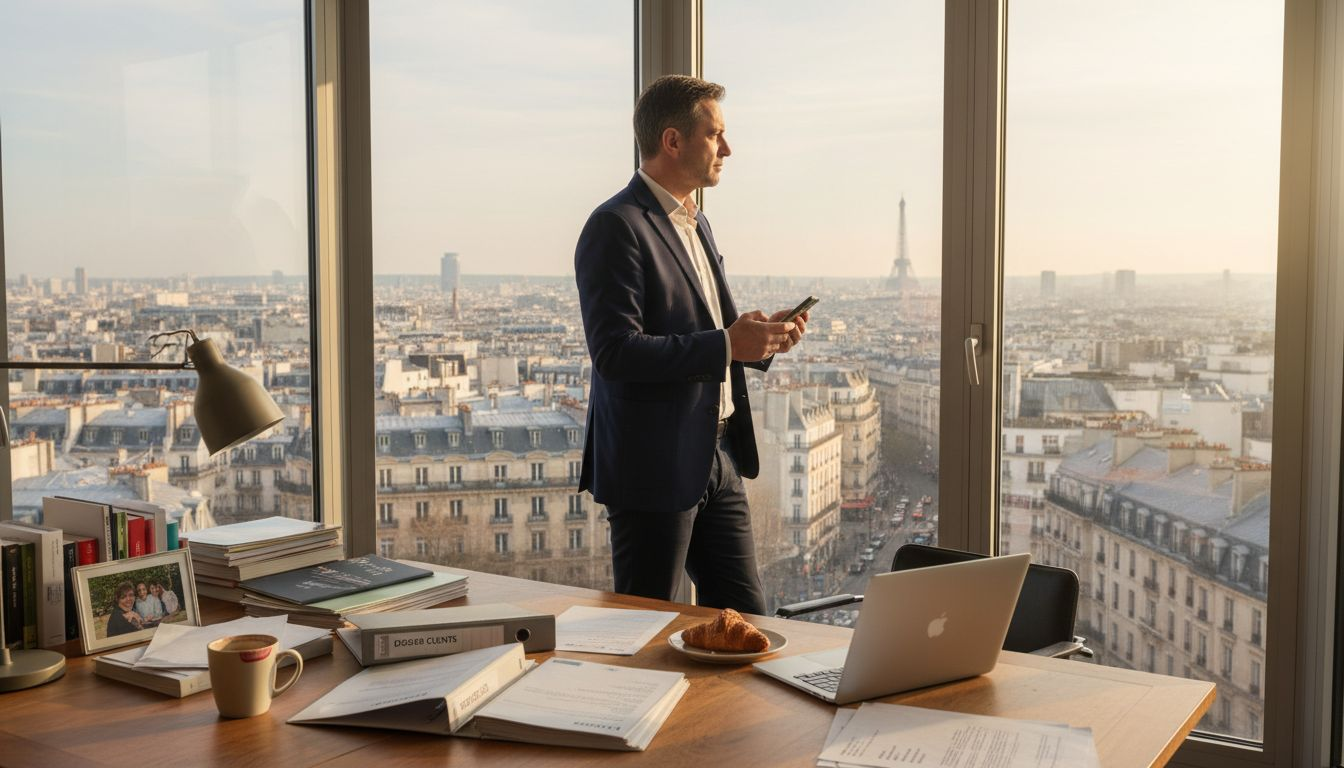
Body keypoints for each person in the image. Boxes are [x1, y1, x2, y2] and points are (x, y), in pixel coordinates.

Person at [574, 75, 808, 615]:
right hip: (654, 464)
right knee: (642, 626)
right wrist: (728, 344)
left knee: (746, 622)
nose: (727, 148)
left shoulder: (694, 222)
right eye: (715, 134)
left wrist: (764, 340)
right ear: (673, 141)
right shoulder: (615, 225)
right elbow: (615, 352)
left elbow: (709, 333)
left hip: (717, 452)